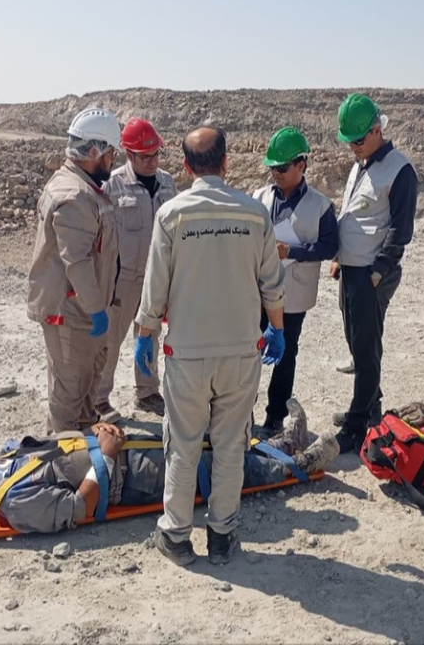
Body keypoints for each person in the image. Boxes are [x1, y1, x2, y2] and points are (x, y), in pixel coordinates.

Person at [134, 125, 287, 566]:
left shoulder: (172, 215)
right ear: (226, 162)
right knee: (230, 445)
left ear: (185, 167)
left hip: (187, 353)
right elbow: (272, 286)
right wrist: (276, 329)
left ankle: (177, 535)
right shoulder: (254, 214)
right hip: (241, 351)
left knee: (182, 444)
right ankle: (221, 535)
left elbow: (155, 288)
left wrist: (145, 337)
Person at [0, 400, 339, 535]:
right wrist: (107, 455)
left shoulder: (4, 460)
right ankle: (298, 465)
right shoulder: (16, 504)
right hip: (128, 476)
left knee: (205, 443)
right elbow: (78, 508)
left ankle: (283, 446)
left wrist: (94, 432)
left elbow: (56, 444)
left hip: (110, 447)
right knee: (208, 469)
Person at [329, 94, 419, 455]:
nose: (352, 146)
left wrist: (381, 268)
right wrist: (340, 256)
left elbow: (401, 228)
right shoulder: (362, 164)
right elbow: (355, 213)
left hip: (371, 272)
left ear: (377, 131)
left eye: (357, 140)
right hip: (351, 268)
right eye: (349, 141)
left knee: (366, 349)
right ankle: (371, 409)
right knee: (356, 340)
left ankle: (356, 426)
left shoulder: (399, 170)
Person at [26, 107, 122, 433]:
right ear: (94, 151)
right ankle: (64, 454)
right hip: (72, 313)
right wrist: (96, 309)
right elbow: (77, 261)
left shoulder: (83, 186)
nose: (113, 161)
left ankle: (83, 445)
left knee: (84, 391)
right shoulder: (75, 194)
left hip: (83, 310)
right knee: (68, 397)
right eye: (110, 154)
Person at [252, 126, 338, 435]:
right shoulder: (259, 197)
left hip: (294, 293)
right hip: (257, 291)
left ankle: (275, 416)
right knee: (247, 351)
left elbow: (330, 246)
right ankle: (240, 412)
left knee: (285, 356)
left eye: (282, 167)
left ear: (301, 165)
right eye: (272, 168)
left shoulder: (321, 205)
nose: (275, 173)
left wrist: (293, 251)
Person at [95, 118, 177, 420]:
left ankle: (147, 391)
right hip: (123, 280)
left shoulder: (167, 183)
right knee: (110, 343)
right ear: (129, 154)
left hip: (155, 279)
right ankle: (98, 398)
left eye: (156, 154)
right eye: (145, 156)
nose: (153, 161)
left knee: (150, 337)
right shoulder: (112, 185)